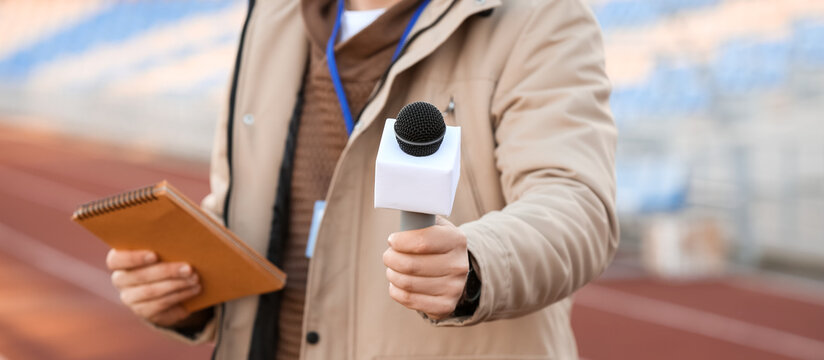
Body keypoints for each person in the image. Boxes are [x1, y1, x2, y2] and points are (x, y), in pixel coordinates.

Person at [105, 0, 618, 358]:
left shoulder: (542, 14)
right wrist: (183, 290)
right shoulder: (270, 12)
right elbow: (245, 202)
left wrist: (478, 262)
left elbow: (575, 202)